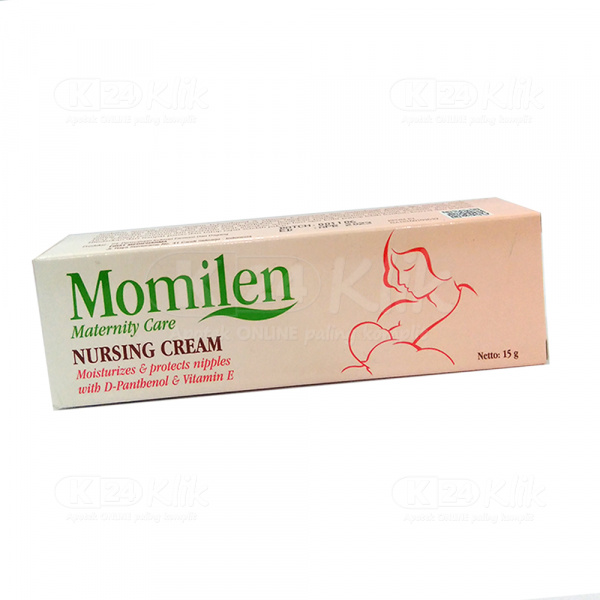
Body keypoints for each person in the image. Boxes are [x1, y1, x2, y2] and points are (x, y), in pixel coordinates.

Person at [344, 232, 476, 376]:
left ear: (439, 261)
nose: (400, 280)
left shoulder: (473, 305)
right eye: (396, 270)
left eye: (408, 269)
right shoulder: (396, 315)